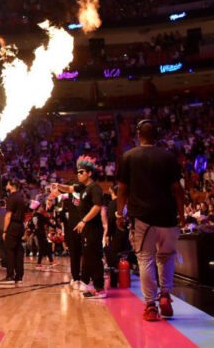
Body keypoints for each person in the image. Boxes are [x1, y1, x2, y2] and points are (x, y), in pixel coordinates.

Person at [117, 119, 185, 321]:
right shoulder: (168, 157)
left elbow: (122, 190)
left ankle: (150, 305)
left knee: (146, 258)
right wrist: (181, 214)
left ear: (139, 134)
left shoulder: (128, 157)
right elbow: (177, 189)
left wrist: (120, 214)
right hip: (167, 216)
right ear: (156, 135)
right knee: (165, 257)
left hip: (142, 218)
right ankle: (165, 295)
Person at [55, 156, 108, 298]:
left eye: (81, 172)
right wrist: (59, 187)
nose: (78, 174)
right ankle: (94, 286)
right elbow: (69, 188)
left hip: (93, 228)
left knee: (95, 257)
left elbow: (97, 206)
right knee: (89, 256)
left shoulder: (94, 188)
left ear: (89, 173)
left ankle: (100, 288)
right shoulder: (82, 187)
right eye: (77, 172)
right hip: (86, 228)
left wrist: (83, 221)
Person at [0, 179, 26, 288]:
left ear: (11, 185)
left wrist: (5, 230)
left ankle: (10, 276)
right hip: (20, 226)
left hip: (12, 226)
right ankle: (19, 276)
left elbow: (8, 215)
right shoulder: (21, 197)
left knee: (9, 250)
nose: (6, 185)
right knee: (18, 251)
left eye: (7, 183)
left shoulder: (11, 198)